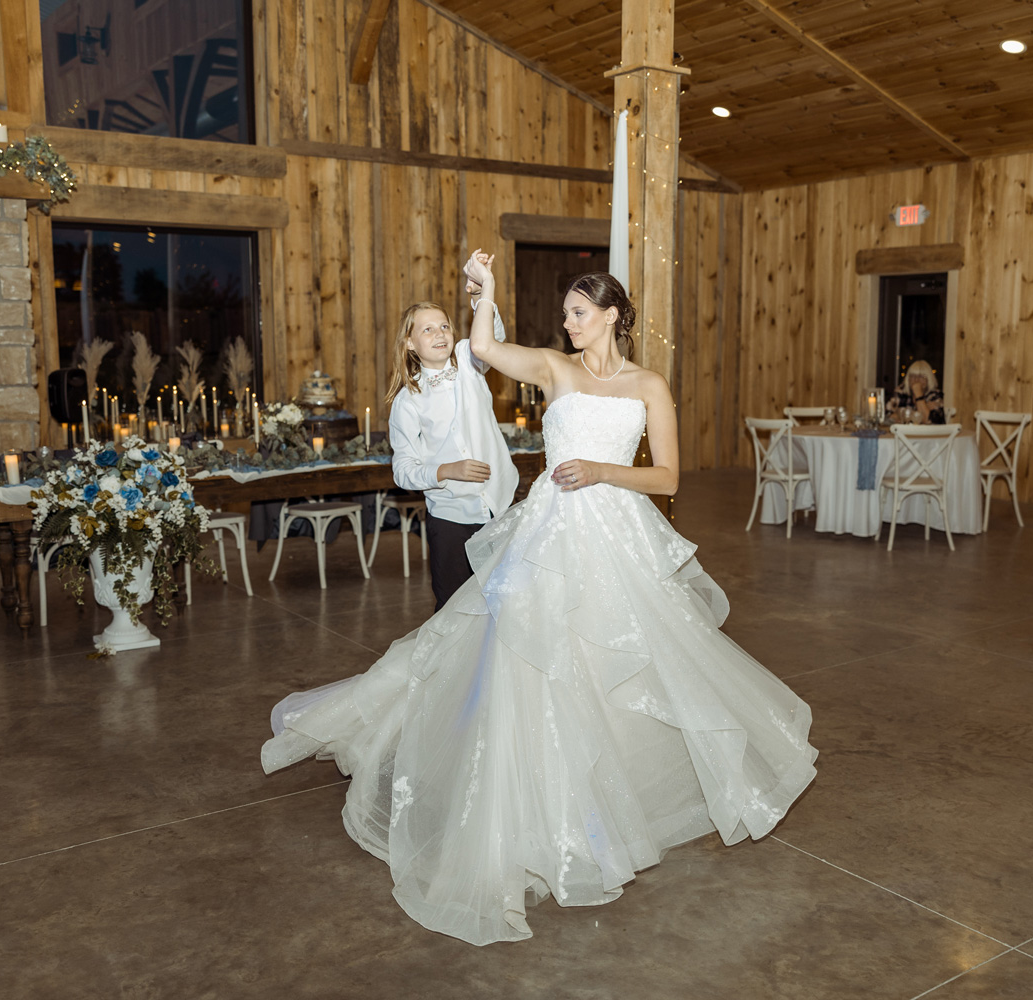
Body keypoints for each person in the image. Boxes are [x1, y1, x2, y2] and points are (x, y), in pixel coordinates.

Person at [262, 255, 818, 946]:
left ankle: (612, 799)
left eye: (579, 312)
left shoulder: (650, 384)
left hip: (616, 533)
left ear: (613, 314)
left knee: (621, 659)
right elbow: (488, 348)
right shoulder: (555, 367)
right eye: (564, 315)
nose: (568, 323)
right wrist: (486, 292)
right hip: (549, 533)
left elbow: (668, 474)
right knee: (529, 659)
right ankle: (533, 806)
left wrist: (603, 472)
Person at [385, 297, 517, 610]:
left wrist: (480, 297)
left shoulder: (470, 363)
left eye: (444, 326)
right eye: (428, 330)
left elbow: (492, 340)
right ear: (410, 343)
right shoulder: (408, 401)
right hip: (450, 518)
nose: (440, 333)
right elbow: (402, 471)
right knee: (454, 609)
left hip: (499, 506)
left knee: (502, 603)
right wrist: (445, 471)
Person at [890, 359, 946, 424]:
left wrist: (918, 394)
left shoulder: (935, 395)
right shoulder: (901, 393)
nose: (916, 380)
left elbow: (928, 421)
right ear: (908, 379)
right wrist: (923, 408)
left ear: (929, 379)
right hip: (904, 433)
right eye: (913, 376)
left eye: (921, 376)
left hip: (932, 433)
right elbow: (889, 417)